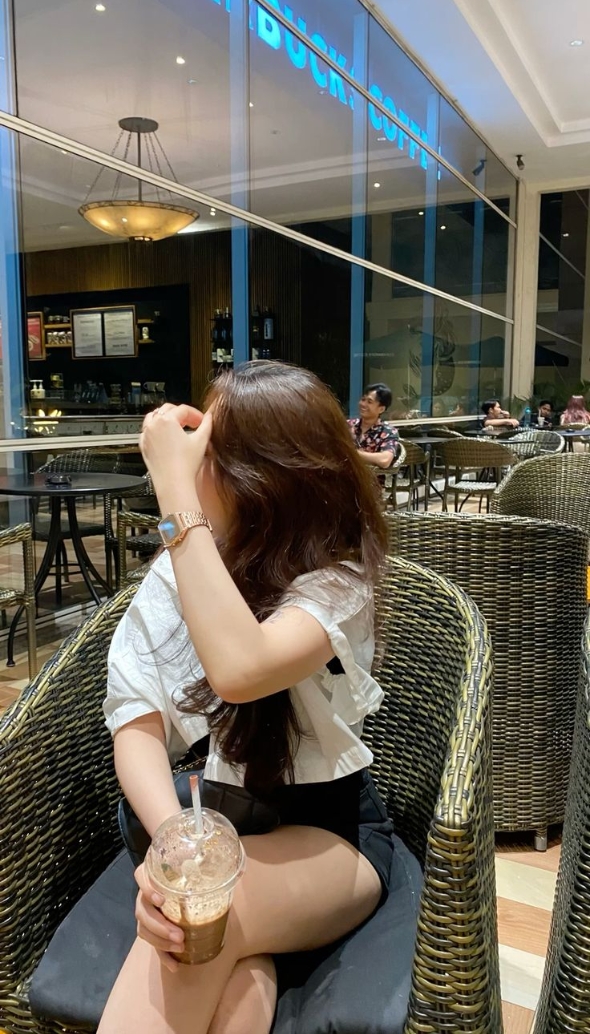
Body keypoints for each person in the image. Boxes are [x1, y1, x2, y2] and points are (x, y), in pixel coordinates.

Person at [99, 361, 394, 1034]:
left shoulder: (338, 582)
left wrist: (173, 492)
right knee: (227, 956)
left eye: (209, 452)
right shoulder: (182, 568)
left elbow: (241, 668)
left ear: (263, 478)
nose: (193, 462)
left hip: (328, 833)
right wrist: (177, 846)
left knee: (200, 925)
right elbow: (136, 719)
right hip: (210, 820)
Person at [347, 383, 400, 469]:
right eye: (363, 399)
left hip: (371, 477)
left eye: (369, 402)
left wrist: (352, 453)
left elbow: (384, 460)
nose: (363, 404)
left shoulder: (388, 432)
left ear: (381, 409)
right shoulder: (348, 425)